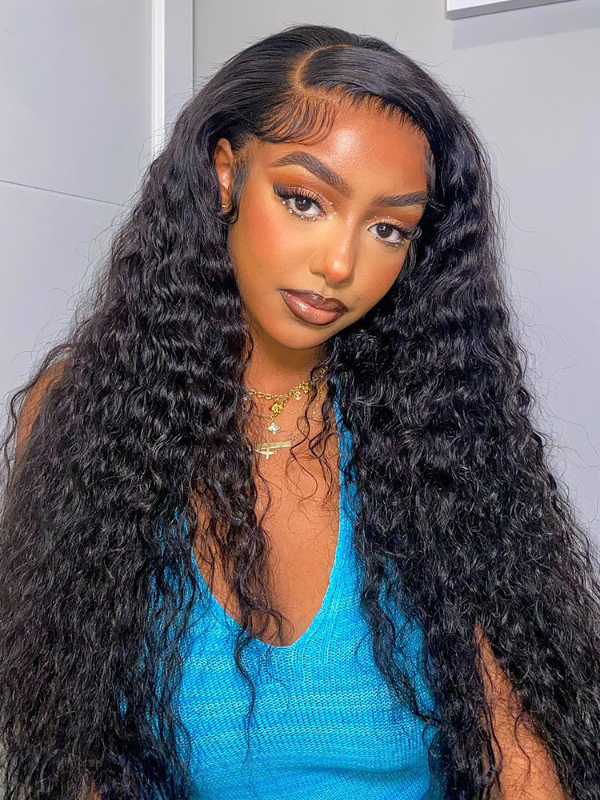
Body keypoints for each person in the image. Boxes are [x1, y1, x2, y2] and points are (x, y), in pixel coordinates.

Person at [0, 21, 596, 800]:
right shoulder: (89, 411)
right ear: (225, 175)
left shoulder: (430, 431)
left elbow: (519, 758)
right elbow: (77, 745)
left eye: (388, 228)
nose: (341, 264)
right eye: (304, 200)